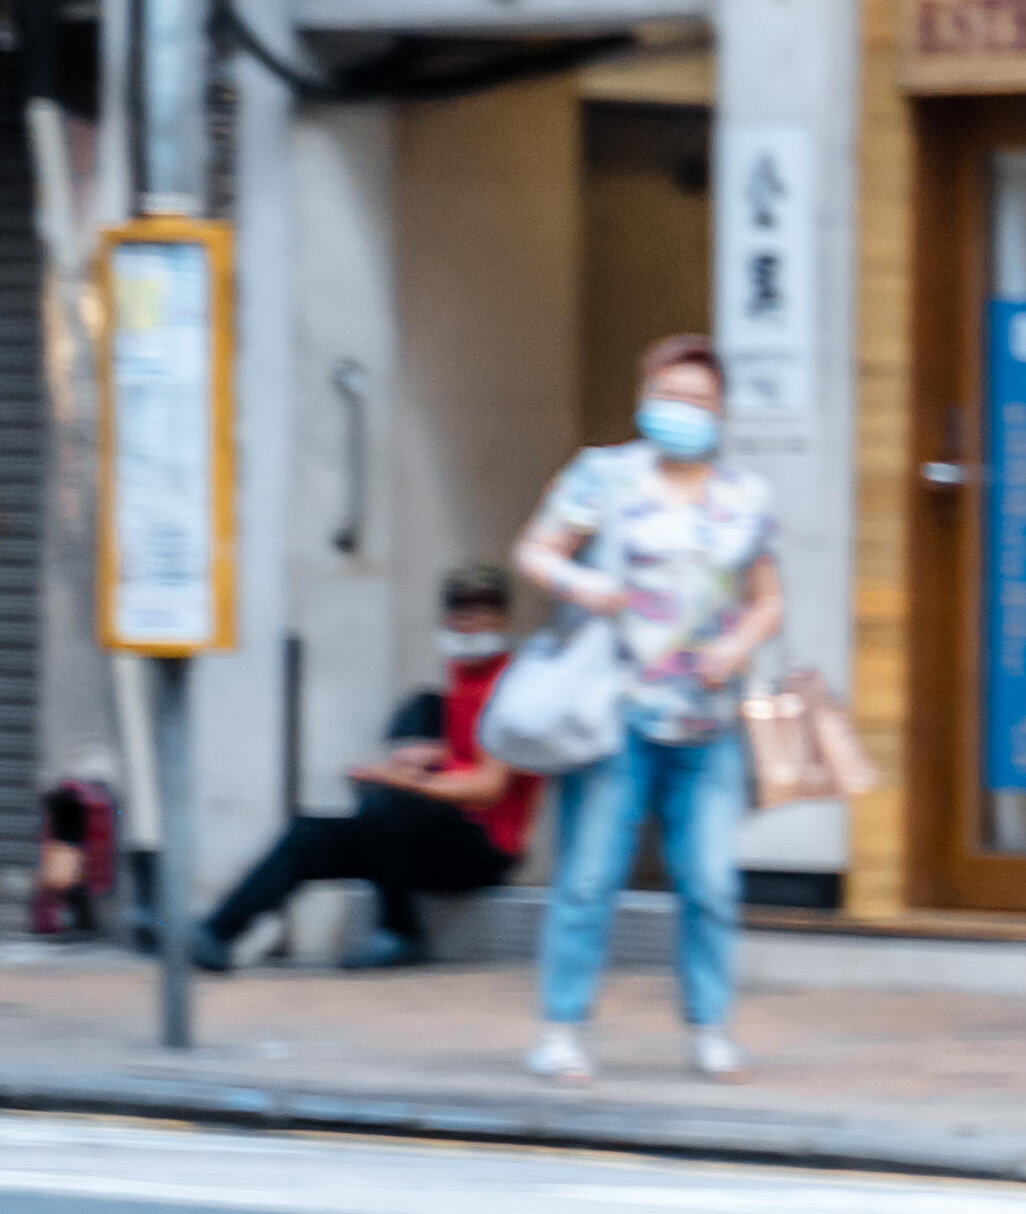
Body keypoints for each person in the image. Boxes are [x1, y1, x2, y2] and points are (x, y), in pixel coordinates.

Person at [515, 335, 786, 1086]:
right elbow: (536, 551)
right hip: (617, 710)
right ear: (643, 399)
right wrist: (579, 585)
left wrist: (738, 648)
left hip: (711, 717)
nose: (683, 411)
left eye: (698, 399)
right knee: (589, 875)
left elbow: (768, 600)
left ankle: (711, 1028)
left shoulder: (745, 496)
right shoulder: (604, 475)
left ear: (722, 409)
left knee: (710, 883)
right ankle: (561, 1027)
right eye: (669, 395)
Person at [187, 565, 532, 971]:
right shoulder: (462, 677)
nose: (472, 619)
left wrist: (405, 779)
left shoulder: (514, 687)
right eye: (463, 608)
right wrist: (434, 755)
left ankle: (401, 933)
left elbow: (489, 788)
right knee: (311, 834)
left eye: (484, 609)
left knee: (389, 804)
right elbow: (477, 752)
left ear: (504, 618)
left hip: (485, 849)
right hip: (432, 839)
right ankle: (215, 934)